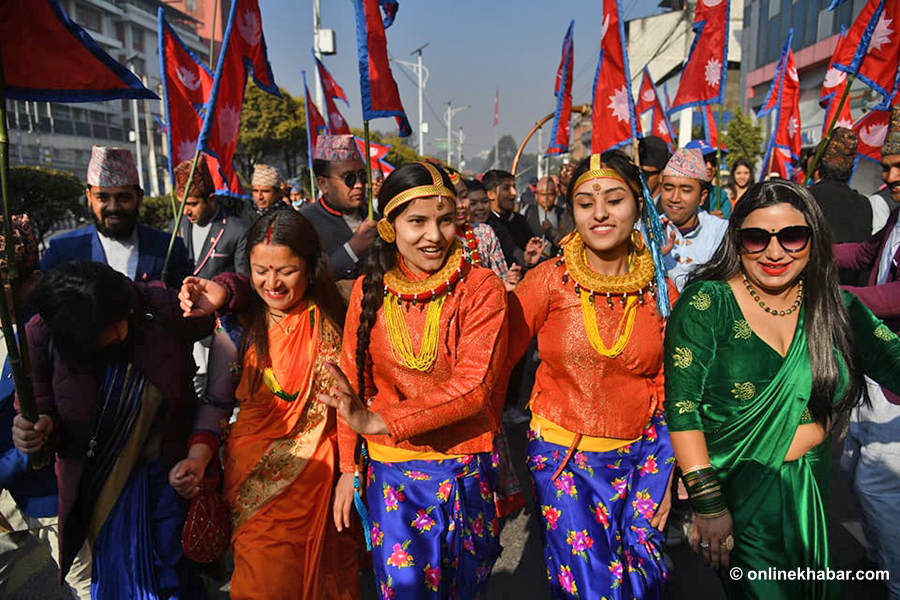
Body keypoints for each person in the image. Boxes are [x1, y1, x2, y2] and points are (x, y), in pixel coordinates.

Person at [663, 179, 900, 599]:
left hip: (809, 492)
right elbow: (682, 408)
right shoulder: (707, 304)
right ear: (738, 241)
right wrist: (708, 504)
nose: (775, 252)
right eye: (757, 238)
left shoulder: (836, 309)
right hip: (740, 498)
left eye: (792, 236)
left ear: (813, 239)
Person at [319, 162, 508, 598]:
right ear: (389, 227)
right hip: (393, 474)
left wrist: (376, 423)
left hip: (463, 467)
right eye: (417, 222)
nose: (434, 235)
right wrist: (349, 467)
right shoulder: (370, 289)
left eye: (444, 220)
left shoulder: (481, 289)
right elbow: (353, 388)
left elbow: (472, 390)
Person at [12, 260, 248, 597]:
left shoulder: (153, 306)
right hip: (104, 490)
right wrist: (35, 431)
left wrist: (224, 289)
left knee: (176, 580)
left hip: (169, 478)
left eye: (120, 320)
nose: (121, 332)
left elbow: (242, 302)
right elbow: (37, 411)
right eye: (104, 333)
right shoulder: (40, 335)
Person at [500, 151, 676, 598]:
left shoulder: (661, 288)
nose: (599, 213)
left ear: (639, 204)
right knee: (590, 585)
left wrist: (674, 469)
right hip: (564, 457)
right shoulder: (547, 281)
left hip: (645, 459)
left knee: (643, 581)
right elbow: (494, 359)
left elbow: (672, 384)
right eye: (585, 203)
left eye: (614, 200)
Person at [175, 210, 360, 599]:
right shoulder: (240, 325)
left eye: (286, 271)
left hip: (325, 482)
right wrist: (197, 457)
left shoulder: (340, 313)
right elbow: (215, 402)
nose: (272, 283)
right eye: (261, 270)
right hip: (255, 486)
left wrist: (350, 469)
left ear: (310, 266)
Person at [0, 216, 90, 599]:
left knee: (88, 586)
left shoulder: (50, 337)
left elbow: (67, 418)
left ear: (31, 280)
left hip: (48, 494)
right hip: (4, 501)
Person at [834, 106, 900, 598]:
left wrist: (835, 296)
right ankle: (880, 556)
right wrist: (806, 246)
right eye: (888, 166)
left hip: (895, 376)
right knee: (853, 468)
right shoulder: (896, 213)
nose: (890, 175)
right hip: (873, 370)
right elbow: (862, 255)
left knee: (877, 483)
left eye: (898, 167)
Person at [41, 145, 192, 288]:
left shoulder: (169, 248)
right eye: (103, 198)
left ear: (139, 197)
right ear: (89, 197)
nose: (113, 207)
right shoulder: (62, 251)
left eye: (123, 198)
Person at [301, 134, 378, 287]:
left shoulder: (375, 217)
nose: (359, 185)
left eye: (362, 176)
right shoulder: (305, 222)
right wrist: (353, 248)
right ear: (323, 184)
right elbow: (306, 279)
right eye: (349, 178)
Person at [660, 147, 729, 291]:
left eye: (685, 190)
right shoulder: (645, 231)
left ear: (702, 197)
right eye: (668, 188)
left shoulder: (722, 233)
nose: (674, 198)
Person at [176, 157, 248, 280]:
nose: (185, 212)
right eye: (182, 204)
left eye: (193, 204)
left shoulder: (237, 231)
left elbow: (243, 279)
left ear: (211, 199)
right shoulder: (177, 227)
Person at [449, 171, 521, 290]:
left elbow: (500, 278)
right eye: (453, 197)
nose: (460, 205)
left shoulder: (484, 232)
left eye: (464, 196)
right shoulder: (434, 238)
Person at [484, 169, 534, 256]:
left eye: (514, 187)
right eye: (506, 188)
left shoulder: (520, 221)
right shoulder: (485, 224)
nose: (514, 193)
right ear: (491, 194)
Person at [685, 140, 730, 218]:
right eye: (703, 160)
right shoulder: (675, 195)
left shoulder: (721, 197)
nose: (709, 166)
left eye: (713, 161)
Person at [524, 175, 567, 254]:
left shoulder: (563, 213)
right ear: (536, 195)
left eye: (550, 194)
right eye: (543, 195)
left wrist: (551, 231)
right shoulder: (528, 212)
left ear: (555, 195)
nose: (546, 198)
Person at [639, 135, 671, 206]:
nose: (640, 179)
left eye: (645, 175)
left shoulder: (670, 208)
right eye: (637, 173)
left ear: (661, 175)